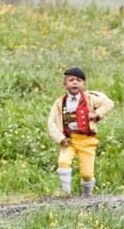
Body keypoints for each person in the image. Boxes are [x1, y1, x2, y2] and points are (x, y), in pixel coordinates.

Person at [48, 66, 114, 197]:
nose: (74, 82)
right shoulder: (60, 103)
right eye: (71, 80)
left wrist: (97, 114)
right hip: (69, 140)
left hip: (87, 140)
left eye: (78, 80)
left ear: (83, 84)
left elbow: (109, 103)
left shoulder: (90, 98)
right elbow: (52, 122)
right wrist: (61, 138)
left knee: (87, 173)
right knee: (63, 162)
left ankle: (87, 195)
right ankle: (66, 193)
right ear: (65, 84)